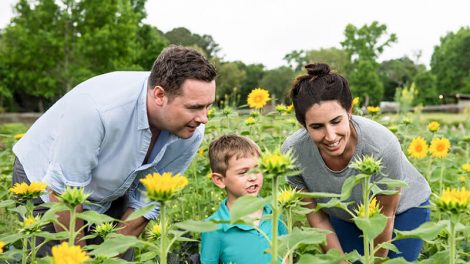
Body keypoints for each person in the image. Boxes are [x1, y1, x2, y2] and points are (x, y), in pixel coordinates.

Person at [12, 45, 217, 257]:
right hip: (47, 182)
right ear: (159, 95)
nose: (204, 118)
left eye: (208, 106)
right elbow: (62, 192)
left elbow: (147, 201)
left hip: (115, 186)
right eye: (194, 107)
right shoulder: (97, 110)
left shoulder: (191, 130)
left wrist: (109, 257)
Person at [281, 63, 431, 261]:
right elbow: (316, 217)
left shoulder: (381, 145)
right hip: (344, 213)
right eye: (317, 127)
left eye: (336, 121)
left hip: (403, 210)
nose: (331, 136)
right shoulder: (293, 153)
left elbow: (385, 215)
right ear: (303, 125)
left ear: (349, 111)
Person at [200, 134, 288, 264]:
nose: (253, 177)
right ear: (219, 180)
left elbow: (286, 253)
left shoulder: (274, 211)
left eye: (258, 169)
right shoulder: (213, 227)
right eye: (243, 172)